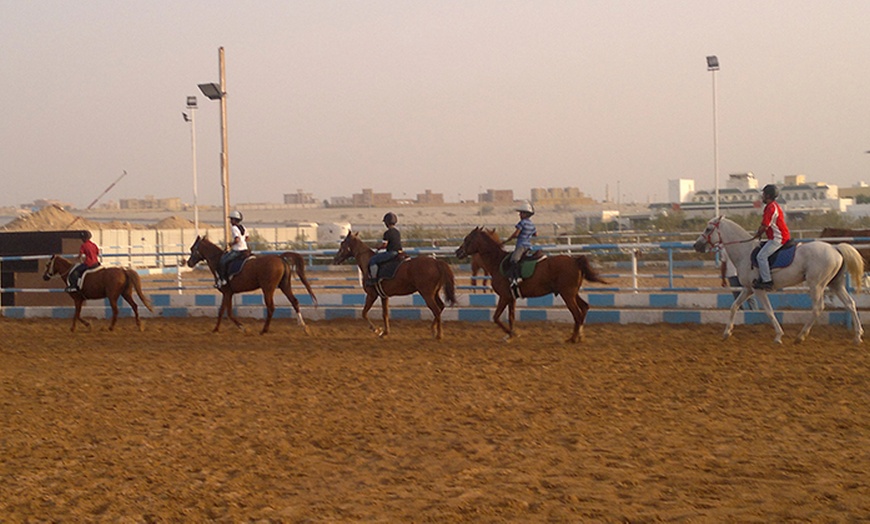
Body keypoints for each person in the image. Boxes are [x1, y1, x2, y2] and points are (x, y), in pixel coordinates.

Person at [751, 184, 790, 290]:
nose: (762, 196)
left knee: (761, 256)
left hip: (779, 238)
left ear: (768, 195)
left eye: (763, 194)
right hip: (775, 237)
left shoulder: (771, 208)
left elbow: (765, 225)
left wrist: (757, 234)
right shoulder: (772, 206)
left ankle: (767, 281)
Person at [504, 201, 537, 294]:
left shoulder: (522, 223)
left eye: (521, 212)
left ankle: (515, 279)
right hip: (528, 246)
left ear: (525, 214)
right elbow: (535, 234)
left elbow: (516, 234)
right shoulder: (531, 224)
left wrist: (508, 239)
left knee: (514, 260)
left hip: (521, 245)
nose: (519, 214)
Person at [216, 210, 249, 288]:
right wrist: (243, 240)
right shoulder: (243, 227)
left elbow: (237, 240)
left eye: (231, 219)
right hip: (245, 249)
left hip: (238, 250)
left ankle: (223, 280)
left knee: (222, 261)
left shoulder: (234, 228)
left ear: (235, 220)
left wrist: (231, 244)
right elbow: (247, 238)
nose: (230, 221)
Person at [367, 212, 402, 286]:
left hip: (391, 253)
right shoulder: (397, 232)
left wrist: (378, 247)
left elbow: (384, 245)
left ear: (386, 223)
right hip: (400, 252)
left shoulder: (387, 233)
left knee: (373, 260)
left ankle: (373, 279)